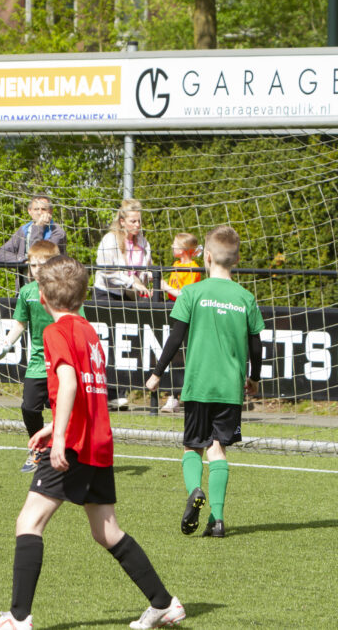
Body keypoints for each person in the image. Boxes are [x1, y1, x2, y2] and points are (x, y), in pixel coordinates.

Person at [0, 256, 184, 630]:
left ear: (40, 295)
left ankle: (18, 619)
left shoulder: (54, 333)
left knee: (29, 521)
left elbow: (69, 384)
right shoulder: (87, 330)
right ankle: (164, 603)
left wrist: (60, 438)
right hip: (99, 441)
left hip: (76, 446)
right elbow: (86, 390)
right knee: (106, 531)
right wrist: (55, 425)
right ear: (84, 295)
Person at [145, 226, 263, 539]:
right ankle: (218, 520)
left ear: (206, 257)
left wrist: (157, 373)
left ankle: (196, 489)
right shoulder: (245, 298)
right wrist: (254, 378)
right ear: (236, 260)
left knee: (192, 447)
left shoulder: (192, 293)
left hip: (198, 385)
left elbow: (175, 337)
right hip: (230, 389)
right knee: (218, 448)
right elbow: (256, 345)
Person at [0, 240, 62, 472]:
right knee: (29, 407)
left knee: (64, 410)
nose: (37, 269)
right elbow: (20, 323)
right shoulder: (27, 292)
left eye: (42, 264)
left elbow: (76, 322)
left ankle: (62, 451)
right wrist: (5, 345)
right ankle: (38, 450)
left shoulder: (64, 290)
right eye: (33, 265)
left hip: (62, 361)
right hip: (38, 361)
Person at [94, 199, 153, 409]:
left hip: (129, 297)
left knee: (124, 344)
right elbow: (105, 271)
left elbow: (146, 268)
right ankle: (106, 393)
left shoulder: (144, 243)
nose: (137, 225)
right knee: (106, 343)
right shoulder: (110, 240)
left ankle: (120, 393)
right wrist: (132, 281)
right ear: (122, 221)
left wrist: (146, 280)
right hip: (106, 294)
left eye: (139, 221)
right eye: (133, 221)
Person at [157, 232, 202, 413]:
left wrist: (166, 287)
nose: (172, 247)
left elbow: (185, 294)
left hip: (185, 314)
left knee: (182, 356)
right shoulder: (176, 265)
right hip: (171, 309)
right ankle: (172, 396)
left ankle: (182, 395)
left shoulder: (193, 267)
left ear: (184, 249)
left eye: (175, 244)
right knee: (171, 355)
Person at [0, 195, 67, 291]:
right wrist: (23, 260)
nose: (40, 213)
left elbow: (37, 254)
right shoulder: (23, 230)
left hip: (50, 289)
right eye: (36, 209)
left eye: (43, 209)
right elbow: (0, 254)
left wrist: (39, 226)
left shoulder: (57, 232)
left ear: (50, 211)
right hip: (24, 288)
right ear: (30, 211)